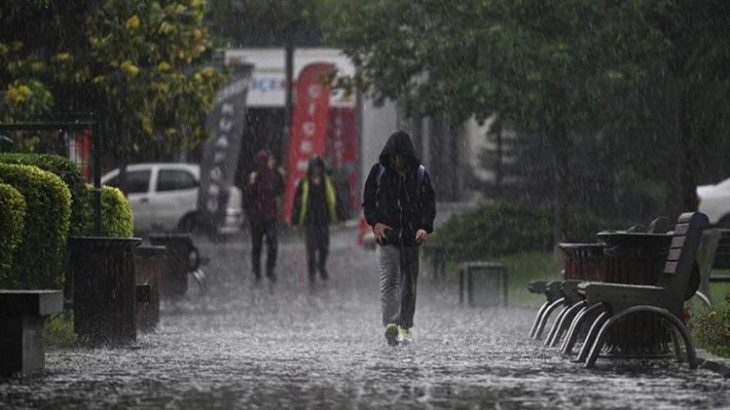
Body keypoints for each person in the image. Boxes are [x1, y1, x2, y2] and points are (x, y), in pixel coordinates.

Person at [362, 131, 436, 346]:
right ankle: (391, 323)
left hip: (412, 239)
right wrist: (374, 222)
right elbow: (368, 200)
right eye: (394, 158)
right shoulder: (379, 173)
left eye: (400, 158)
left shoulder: (420, 175)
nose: (397, 162)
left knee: (409, 283)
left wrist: (424, 227)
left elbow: (428, 204)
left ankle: (405, 325)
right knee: (389, 280)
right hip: (387, 238)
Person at [291, 156, 345, 285]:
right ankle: (311, 272)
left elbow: (336, 200)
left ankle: (321, 266)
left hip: (323, 219)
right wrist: (295, 221)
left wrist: (341, 218)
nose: (316, 171)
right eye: (314, 168)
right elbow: (297, 204)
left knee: (324, 247)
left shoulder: (328, 183)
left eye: (318, 168)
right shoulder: (304, 184)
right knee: (310, 248)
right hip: (310, 220)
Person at [244, 150, 282, 284]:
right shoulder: (255, 177)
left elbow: (280, 191)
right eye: (269, 160)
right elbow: (248, 197)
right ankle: (257, 272)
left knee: (273, 245)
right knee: (256, 246)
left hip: (270, 217)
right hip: (257, 218)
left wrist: (281, 176)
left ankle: (269, 270)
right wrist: (252, 183)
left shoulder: (274, 177)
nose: (272, 162)